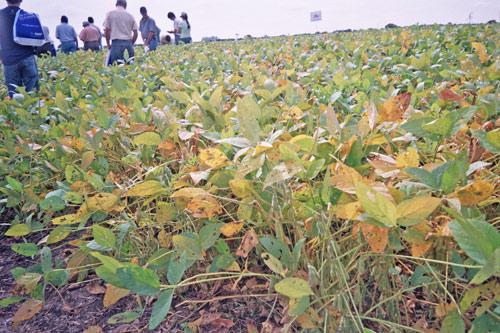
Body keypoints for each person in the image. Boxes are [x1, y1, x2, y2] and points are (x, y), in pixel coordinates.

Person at [0, 0, 39, 97]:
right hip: (27, 57)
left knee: (14, 94)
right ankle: (33, 111)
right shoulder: (27, 16)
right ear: (21, 1)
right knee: (32, 92)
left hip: (9, 59)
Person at [103, 0, 138, 65]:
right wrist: (131, 43)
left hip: (116, 44)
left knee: (117, 69)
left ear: (116, 4)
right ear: (125, 6)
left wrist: (108, 44)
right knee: (129, 68)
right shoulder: (130, 16)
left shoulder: (110, 14)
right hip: (128, 44)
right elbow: (135, 33)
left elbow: (107, 31)